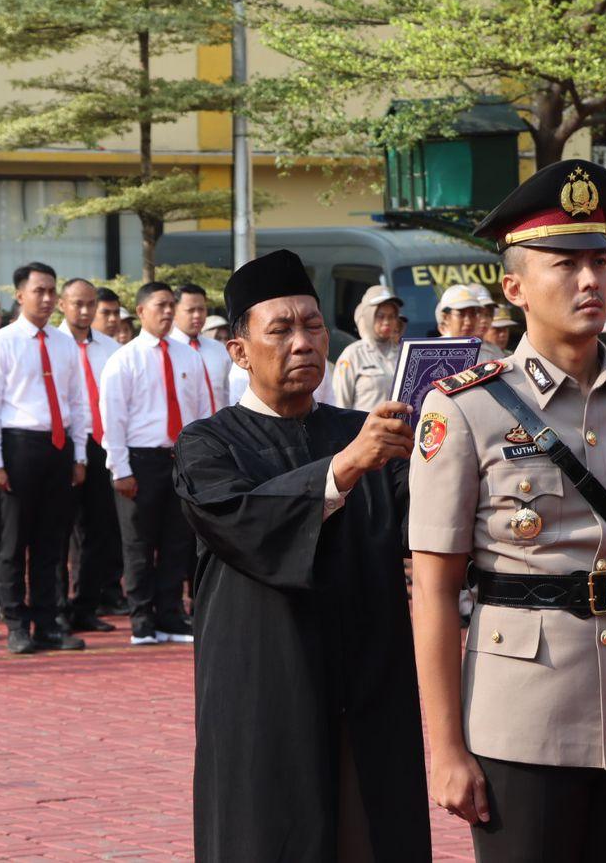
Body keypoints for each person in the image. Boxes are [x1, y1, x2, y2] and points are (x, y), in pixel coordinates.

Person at [409, 159, 606, 859]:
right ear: (514, 287)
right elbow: (434, 590)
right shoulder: (463, 409)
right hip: (523, 720)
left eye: (599, 263)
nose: (591, 281)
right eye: (565, 264)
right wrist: (446, 748)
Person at [174, 249, 429, 862]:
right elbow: (242, 520)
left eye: (313, 326)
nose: (303, 343)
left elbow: (422, 522)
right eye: (281, 330)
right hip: (265, 684)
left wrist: (444, 448)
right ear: (239, 351)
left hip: (368, 676)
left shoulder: (362, 429)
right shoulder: (207, 442)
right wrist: (348, 467)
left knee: (372, 831)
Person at [0, 262, 89, 655]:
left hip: (57, 447)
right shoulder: (1, 343)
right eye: (38, 291)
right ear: (20, 294)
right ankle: (16, 624)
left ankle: (47, 623)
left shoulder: (64, 344)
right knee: (13, 542)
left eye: (51, 291)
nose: (46, 299)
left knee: (51, 542)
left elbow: (78, 401)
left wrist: (79, 453)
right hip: (18, 445)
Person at [100, 282, 209, 645]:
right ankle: (142, 619)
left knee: (178, 540)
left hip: (180, 457)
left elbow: (202, 411)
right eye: (160, 305)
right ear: (142, 310)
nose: (167, 311)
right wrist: (121, 469)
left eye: (170, 305)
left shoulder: (189, 356)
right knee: (138, 543)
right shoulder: (124, 358)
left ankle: (171, 616)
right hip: (139, 459)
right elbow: (112, 419)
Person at [57, 278, 121, 634]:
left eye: (90, 304)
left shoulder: (112, 349)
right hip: (63, 443)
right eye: (77, 303)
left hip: (101, 444)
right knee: (60, 531)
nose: (85, 311)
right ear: (62, 305)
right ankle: (56, 608)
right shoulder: (51, 344)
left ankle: (86, 606)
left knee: (98, 530)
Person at [333, 285, 403, 412]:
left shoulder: (403, 353)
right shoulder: (353, 354)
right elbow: (340, 405)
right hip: (363, 431)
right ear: (369, 316)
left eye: (392, 316)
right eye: (380, 316)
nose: (386, 322)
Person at [171, 283, 231, 415]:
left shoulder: (219, 349)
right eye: (190, 310)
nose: (197, 315)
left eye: (202, 309)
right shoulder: (165, 352)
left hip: (217, 430)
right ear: (174, 312)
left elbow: (226, 395)